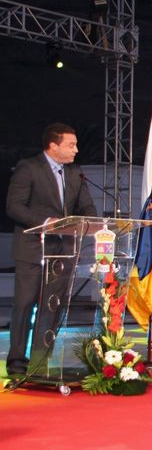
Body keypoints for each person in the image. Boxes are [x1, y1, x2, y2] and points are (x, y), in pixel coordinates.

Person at [5, 123, 97, 376]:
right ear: (53, 145)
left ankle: (40, 360)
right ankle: (16, 361)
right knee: (25, 304)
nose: (76, 150)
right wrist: (46, 223)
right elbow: (14, 207)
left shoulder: (75, 173)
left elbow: (88, 209)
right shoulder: (29, 168)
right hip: (33, 249)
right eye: (71, 145)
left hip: (62, 251)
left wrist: (92, 223)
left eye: (76, 144)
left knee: (51, 306)